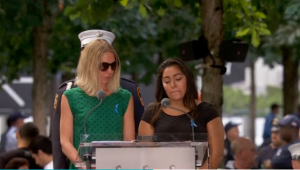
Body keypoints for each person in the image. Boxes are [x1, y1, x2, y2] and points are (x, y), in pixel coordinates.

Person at [51, 30, 145, 169]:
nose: (110, 71)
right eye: (104, 66)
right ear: (89, 65)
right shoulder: (70, 97)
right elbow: (65, 143)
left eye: (113, 65)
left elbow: (129, 143)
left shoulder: (125, 97)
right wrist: (83, 166)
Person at [138, 58, 224, 169]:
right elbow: (144, 155)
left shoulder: (207, 111)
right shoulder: (152, 112)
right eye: (167, 81)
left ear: (188, 79)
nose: (173, 84)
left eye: (178, 79)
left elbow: (216, 154)